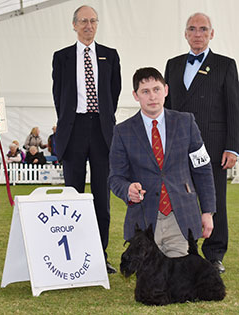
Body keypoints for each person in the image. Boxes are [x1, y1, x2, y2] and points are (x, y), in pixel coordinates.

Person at [109, 67, 216, 258]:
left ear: (166, 90)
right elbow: (116, 177)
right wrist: (127, 189)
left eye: (156, 89)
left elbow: (202, 168)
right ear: (136, 95)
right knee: (150, 286)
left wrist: (208, 211)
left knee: (182, 284)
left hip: (181, 219)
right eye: (145, 91)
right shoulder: (122, 131)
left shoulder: (186, 122)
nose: (152, 96)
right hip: (144, 221)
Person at [164, 12, 239, 272]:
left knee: (214, 199)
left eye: (203, 29)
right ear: (185, 33)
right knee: (180, 197)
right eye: (192, 29)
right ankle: (182, 248)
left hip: (213, 146)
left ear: (212, 34)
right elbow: (168, 107)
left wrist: (232, 146)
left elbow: (234, 108)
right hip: (178, 145)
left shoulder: (225, 65)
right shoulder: (172, 65)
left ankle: (214, 253)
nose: (198, 34)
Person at [52, 5, 121, 273]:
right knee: (73, 196)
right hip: (74, 130)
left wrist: (102, 118)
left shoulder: (110, 56)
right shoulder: (62, 57)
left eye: (93, 21)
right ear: (74, 25)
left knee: (102, 199)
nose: (88, 25)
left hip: (102, 131)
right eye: (83, 21)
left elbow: (113, 93)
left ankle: (100, 255)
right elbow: (59, 94)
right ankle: (74, 255)